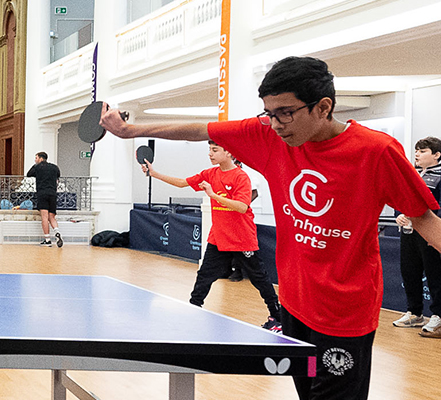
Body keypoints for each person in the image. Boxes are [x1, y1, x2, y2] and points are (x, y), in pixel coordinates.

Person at [99, 56, 441, 400]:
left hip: (345, 313)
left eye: (286, 112)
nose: (276, 123)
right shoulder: (268, 136)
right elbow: (200, 130)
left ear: (323, 107)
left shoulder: (377, 151)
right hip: (294, 304)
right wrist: (130, 131)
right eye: (269, 113)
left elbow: (423, 217)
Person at [141, 143, 283, 332]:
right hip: (218, 238)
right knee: (204, 277)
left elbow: (242, 206)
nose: (210, 154)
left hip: (242, 239)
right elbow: (183, 182)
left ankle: (278, 318)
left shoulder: (241, 177)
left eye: (214, 150)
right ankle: (193, 309)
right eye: (209, 150)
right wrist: (154, 173)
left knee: (260, 280)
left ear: (229, 152)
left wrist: (213, 195)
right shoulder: (210, 173)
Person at [393, 136, 441, 337]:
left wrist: (434, 230)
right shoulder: (412, 174)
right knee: (410, 273)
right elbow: (400, 198)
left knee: (435, 276)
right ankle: (415, 312)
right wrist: (399, 215)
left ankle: (438, 316)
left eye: (423, 151)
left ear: (437, 155)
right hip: (409, 232)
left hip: (430, 235)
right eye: (416, 151)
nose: (417, 155)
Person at [25, 152, 63, 247]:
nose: (35, 160)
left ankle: (47, 239)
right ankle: (57, 231)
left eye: (36, 158)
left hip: (42, 193)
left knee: (44, 217)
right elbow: (58, 175)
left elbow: (28, 174)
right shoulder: (54, 167)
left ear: (41, 158)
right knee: (52, 217)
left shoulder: (37, 167)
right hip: (53, 193)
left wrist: (36, 167)